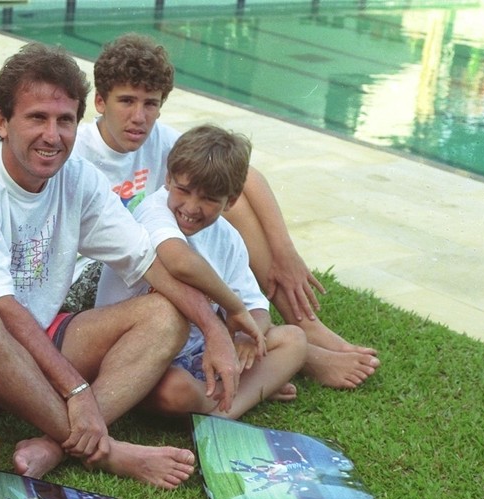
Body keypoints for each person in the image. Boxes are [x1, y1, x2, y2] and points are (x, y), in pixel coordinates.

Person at [0, 43, 264, 490]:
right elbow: (2, 309)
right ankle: (105, 449)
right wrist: (75, 388)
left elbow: (147, 262)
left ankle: (56, 443)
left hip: (32, 348)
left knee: (166, 311)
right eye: (37, 118)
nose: (53, 135)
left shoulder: (78, 178)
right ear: (2, 121)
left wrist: (214, 327)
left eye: (64, 120)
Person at [70, 33, 380, 389]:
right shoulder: (79, 151)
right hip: (97, 271)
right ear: (99, 101)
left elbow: (243, 175)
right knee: (189, 232)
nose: (138, 117)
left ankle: (299, 323)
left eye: (150, 104)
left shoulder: (158, 139)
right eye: (126, 101)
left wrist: (284, 251)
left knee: (222, 195)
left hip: (149, 257)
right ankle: (291, 349)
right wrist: (233, 306)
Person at [96, 124, 308, 419]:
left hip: (202, 352)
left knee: (293, 340)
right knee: (174, 391)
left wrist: (250, 336)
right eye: (184, 190)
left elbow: (257, 308)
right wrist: (232, 310)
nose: (192, 207)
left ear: (231, 201)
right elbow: (180, 262)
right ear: (168, 179)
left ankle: (226, 408)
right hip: (143, 353)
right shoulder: (153, 211)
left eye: (209, 199)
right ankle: (237, 395)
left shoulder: (228, 238)